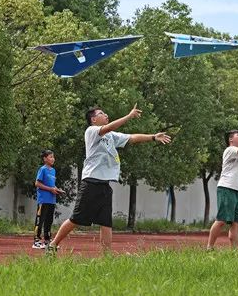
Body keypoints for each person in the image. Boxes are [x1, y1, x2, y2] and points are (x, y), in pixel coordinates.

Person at [48, 104, 171, 254]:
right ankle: (52, 245)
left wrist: (153, 137)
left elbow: (131, 138)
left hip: (105, 186)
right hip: (91, 182)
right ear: (93, 119)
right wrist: (129, 116)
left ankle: (107, 257)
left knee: (106, 222)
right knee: (76, 219)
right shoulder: (91, 131)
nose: (105, 115)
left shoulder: (111, 136)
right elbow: (108, 127)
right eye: (101, 113)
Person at [32, 149, 63, 250]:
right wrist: (50, 189)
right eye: (50, 157)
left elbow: (52, 185)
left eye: (53, 157)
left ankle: (47, 240)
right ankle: (36, 241)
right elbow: (37, 183)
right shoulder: (43, 169)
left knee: (49, 221)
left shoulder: (53, 171)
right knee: (40, 220)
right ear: (45, 159)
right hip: (43, 200)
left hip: (51, 200)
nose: (53, 159)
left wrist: (57, 190)